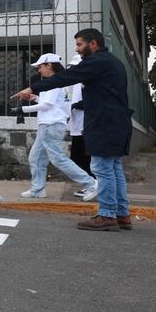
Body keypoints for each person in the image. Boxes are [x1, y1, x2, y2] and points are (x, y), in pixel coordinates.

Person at [14, 28, 134, 231]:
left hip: (104, 122)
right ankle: (122, 214)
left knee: (102, 169)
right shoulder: (112, 61)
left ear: (93, 44)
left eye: (80, 44)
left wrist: (33, 88)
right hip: (118, 122)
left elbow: (66, 77)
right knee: (114, 169)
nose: (77, 49)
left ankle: (107, 215)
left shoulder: (96, 62)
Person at [17, 54, 98, 200]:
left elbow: (47, 105)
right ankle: (37, 190)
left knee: (57, 159)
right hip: (49, 125)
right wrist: (35, 98)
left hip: (51, 125)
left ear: (49, 65)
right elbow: (51, 103)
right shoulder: (58, 83)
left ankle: (91, 183)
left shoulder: (53, 83)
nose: (39, 71)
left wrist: (22, 110)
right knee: (35, 158)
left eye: (40, 67)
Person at [65, 53, 94, 200]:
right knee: (78, 158)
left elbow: (91, 102)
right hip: (77, 126)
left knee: (86, 159)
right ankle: (89, 185)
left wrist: (75, 106)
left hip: (86, 126)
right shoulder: (76, 83)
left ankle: (92, 186)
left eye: (75, 67)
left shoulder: (88, 82)